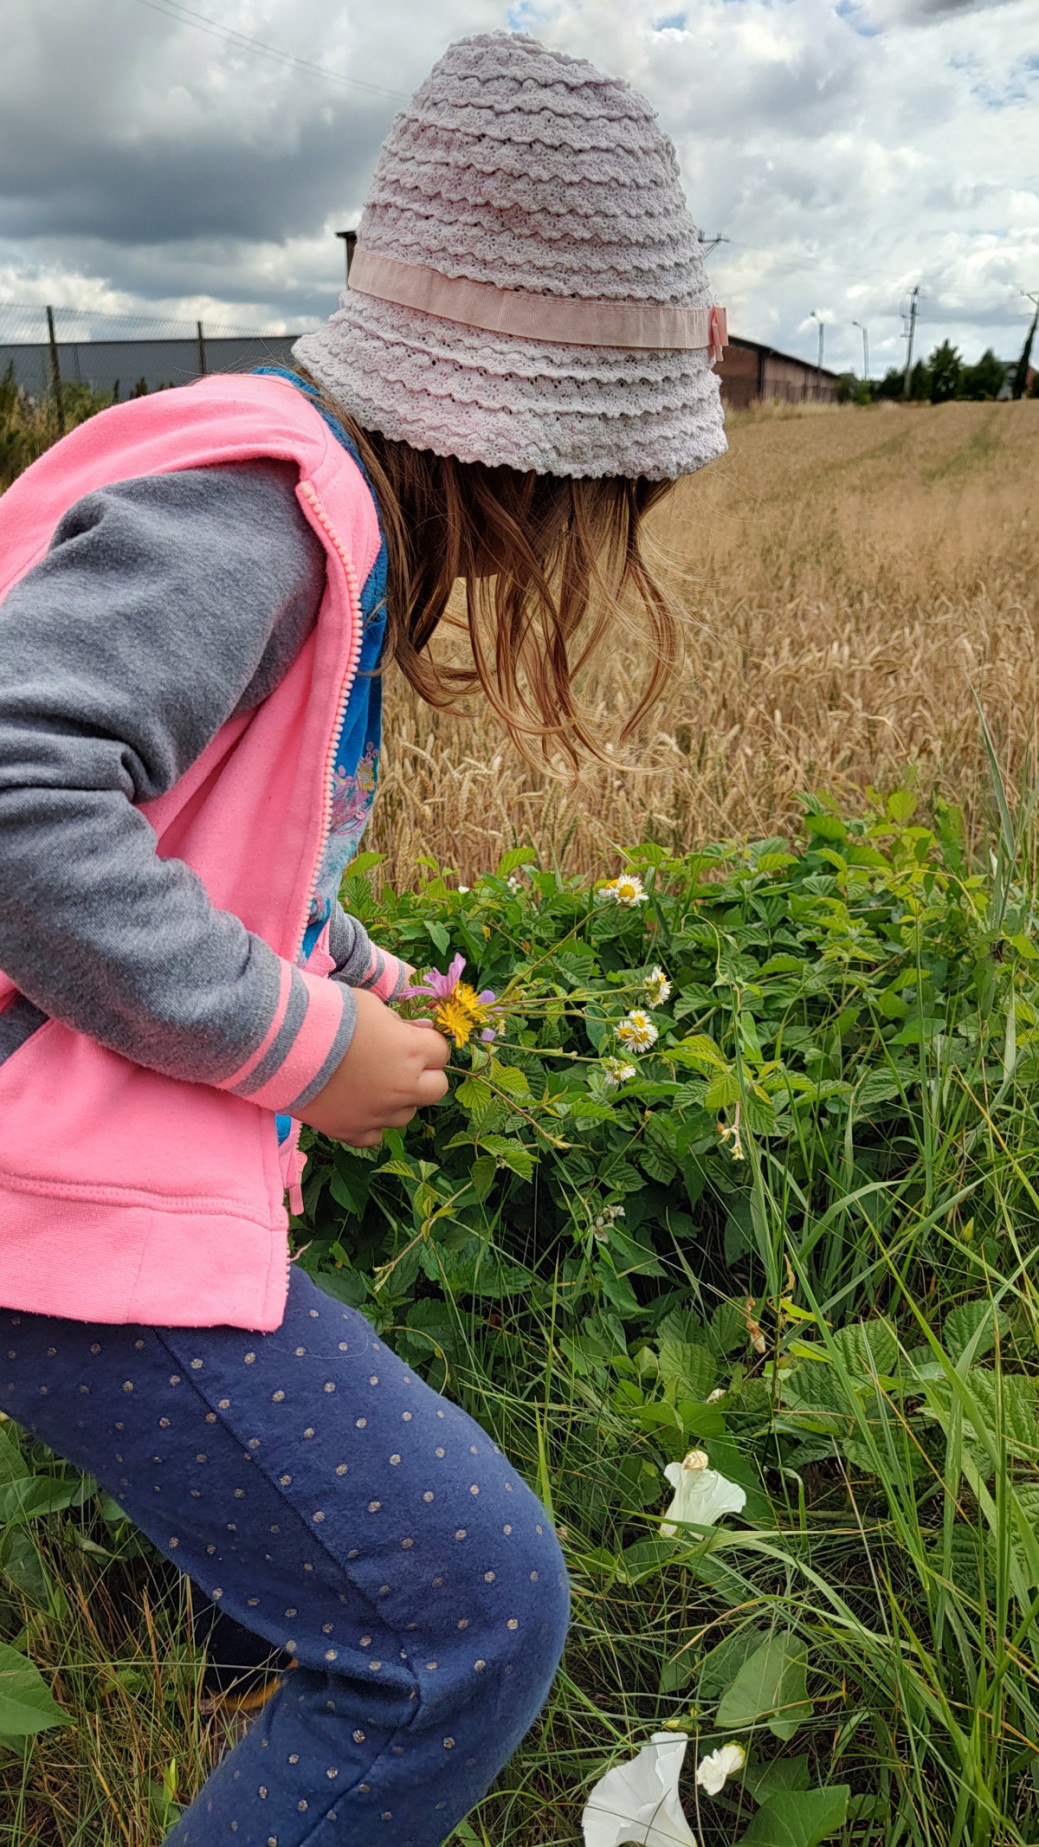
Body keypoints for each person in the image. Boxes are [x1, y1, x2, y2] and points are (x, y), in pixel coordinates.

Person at [0, 29, 726, 1847]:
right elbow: (16, 802)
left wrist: (366, 978)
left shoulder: (292, 503)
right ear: (522, 451)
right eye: (596, 497)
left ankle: (242, 1635)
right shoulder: (263, 523)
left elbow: (205, 847)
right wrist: (307, 1050)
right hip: (27, 1159)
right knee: (461, 1621)